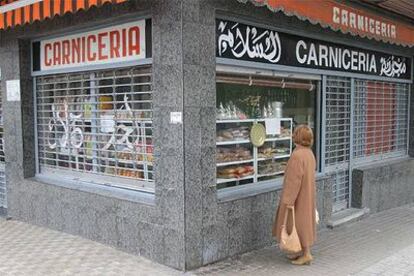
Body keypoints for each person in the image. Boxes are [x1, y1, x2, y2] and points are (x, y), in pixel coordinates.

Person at [272, 125, 316, 265]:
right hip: (306, 195)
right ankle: (301, 252)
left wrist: (288, 200)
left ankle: (306, 254)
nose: (292, 135)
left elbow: (293, 181)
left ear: (298, 137)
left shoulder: (297, 155)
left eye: (295, 133)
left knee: (298, 224)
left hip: (298, 198)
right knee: (303, 223)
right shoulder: (309, 153)